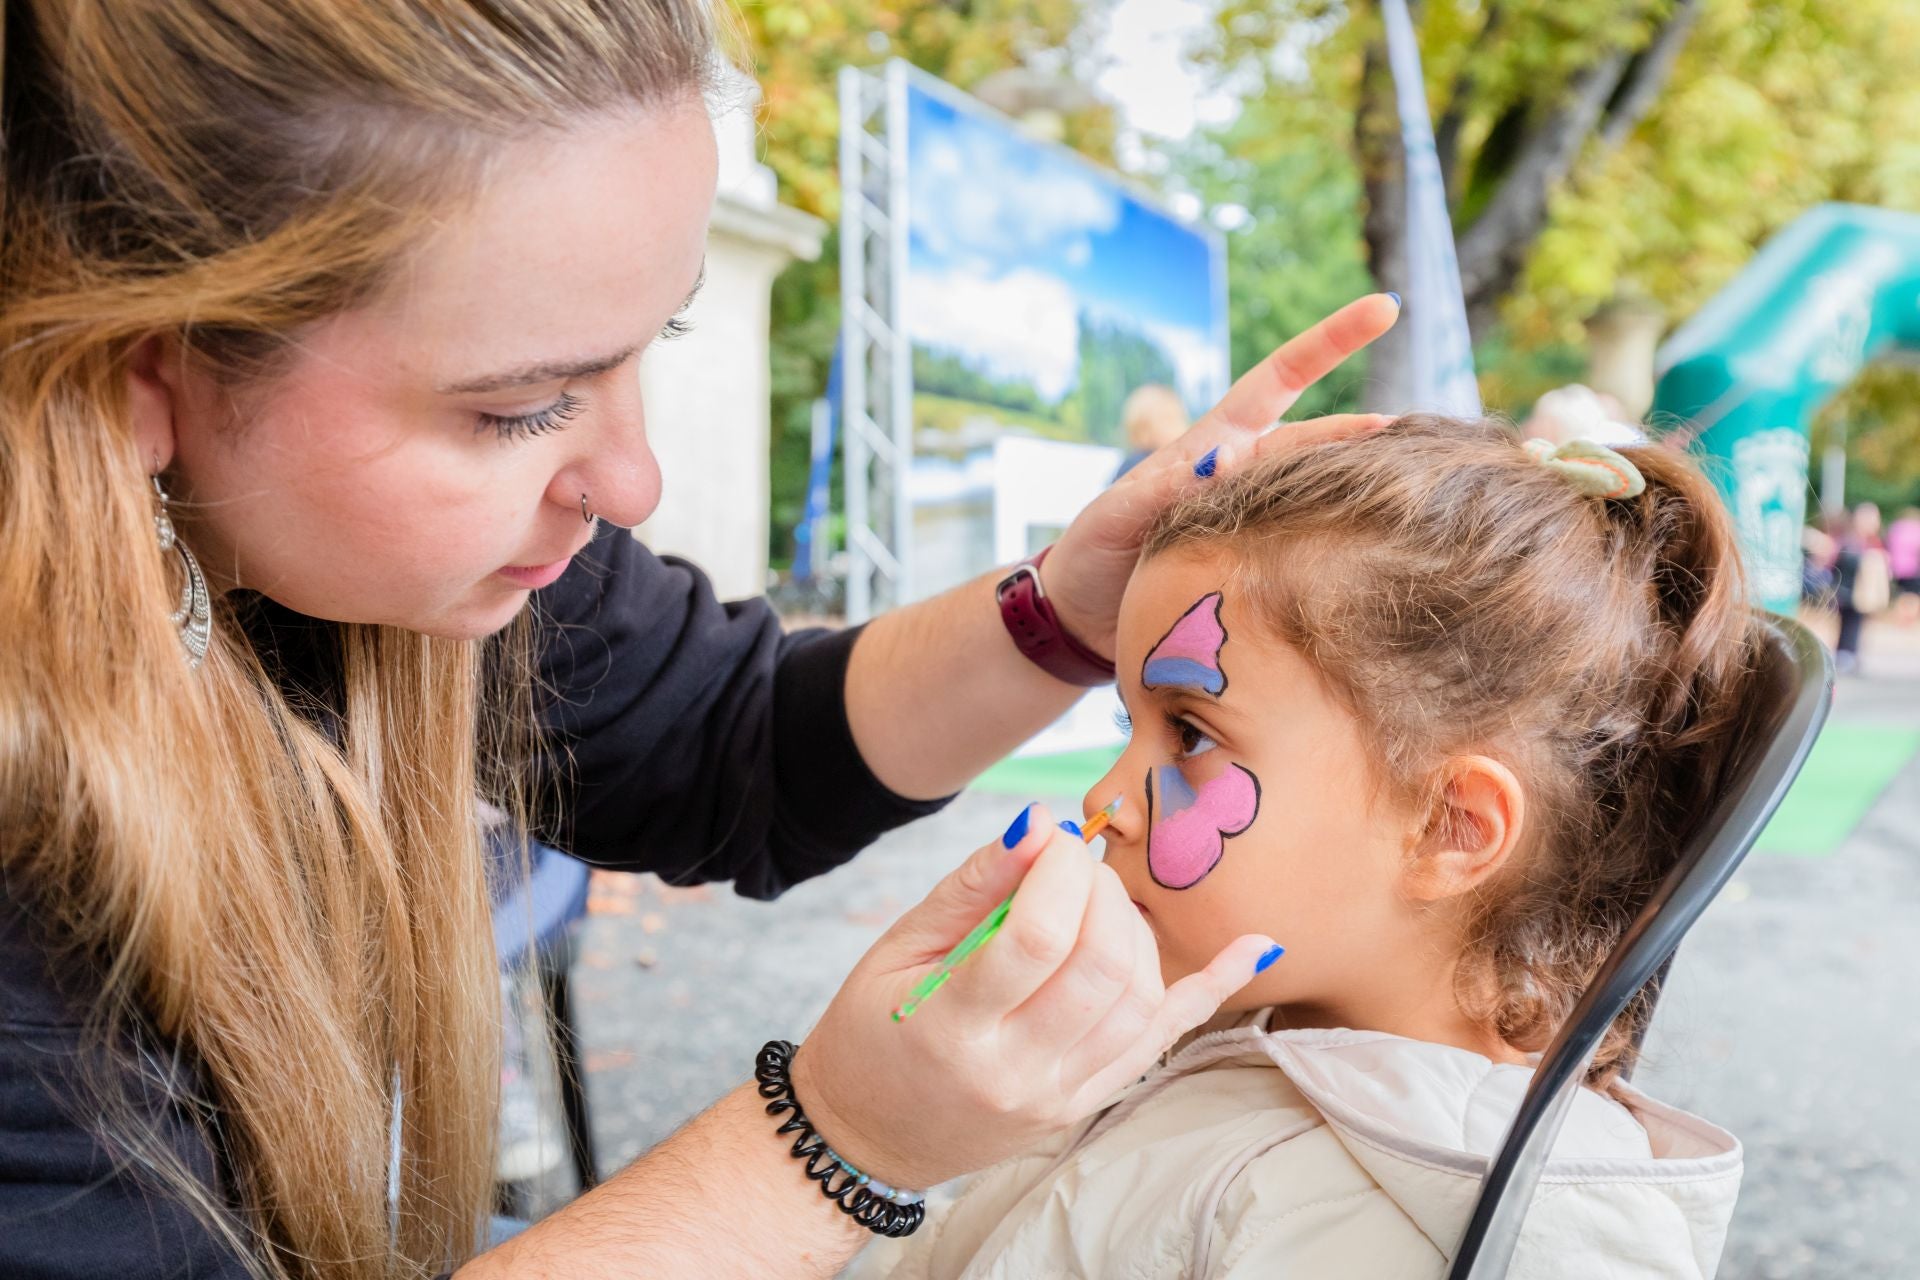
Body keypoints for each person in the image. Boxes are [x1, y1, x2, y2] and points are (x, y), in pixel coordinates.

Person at [0, 3, 1402, 1276]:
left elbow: (733, 738)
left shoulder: (390, 573)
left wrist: (1061, 613)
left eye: (648, 345)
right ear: (141, 369)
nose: (631, 485)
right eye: (517, 408)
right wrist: (838, 1139)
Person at [856, 418, 1754, 1279]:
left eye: (1191, 735)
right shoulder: (1198, 1032)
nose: (1103, 801)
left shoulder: (1439, 1228)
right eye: (1131, 723)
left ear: (1451, 829)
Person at [1833, 501, 1889, 673]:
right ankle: (1845, 654)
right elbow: (1841, 564)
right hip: (1848, 591)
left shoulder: (1873, 542)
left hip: (1863, 593)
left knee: (1857, 623)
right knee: (1849, 623)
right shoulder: (1850, 541)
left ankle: (1851, 653)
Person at [1111, 383, 1191, 481]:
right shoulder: (1136, 465)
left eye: (1181, 418)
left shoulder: (1174, 461)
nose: (1180, 427)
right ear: (1144, 429)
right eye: (1169, 419)